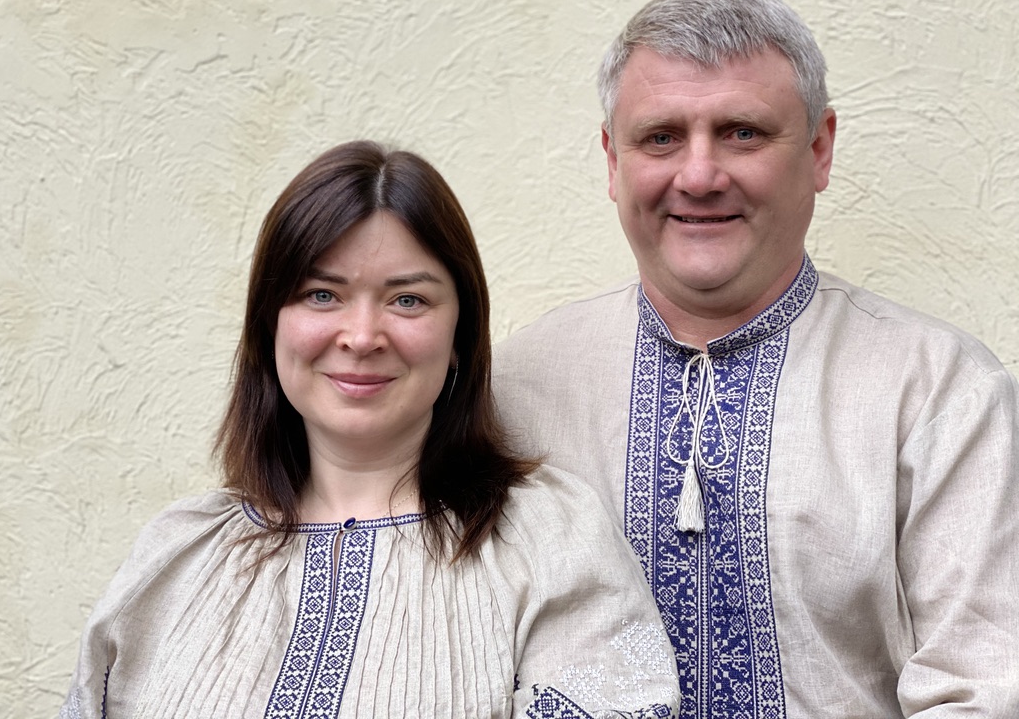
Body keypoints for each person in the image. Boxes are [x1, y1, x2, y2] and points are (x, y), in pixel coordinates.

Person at [493, 0, 1019, 718]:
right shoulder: (518, 387)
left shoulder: (940, 391)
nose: (700, 175)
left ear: (819, 149)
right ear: (613, 160)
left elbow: (985, 688)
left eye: (742, 131)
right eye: (661, 137)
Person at [59, 141, 682, 718]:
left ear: (460, 335)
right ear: (269, 325)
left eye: (407, 300)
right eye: (321, 295)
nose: (361, 336)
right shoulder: (177, 556)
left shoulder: (548, 542)